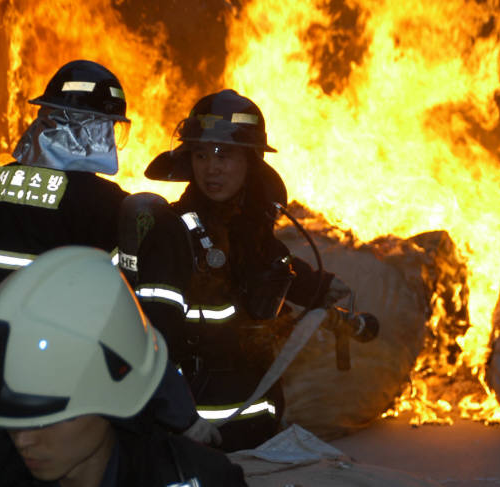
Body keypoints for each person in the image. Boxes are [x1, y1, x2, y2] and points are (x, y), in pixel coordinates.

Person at [120, 89, 351, 451]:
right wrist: (181, 419)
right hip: (199, 438)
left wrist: (326, 288)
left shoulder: (251, 229)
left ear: (250, 160)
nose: (211, 167)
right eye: (201, 154)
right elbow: (150, 340)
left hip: (259, 434)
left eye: (224, 155)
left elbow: (273, 269)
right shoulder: (172, 233)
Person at [0, 245, 248, 486]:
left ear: (117, 395)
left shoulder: (201, 478)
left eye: (48, 417)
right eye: (16, 417)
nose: (23, 439)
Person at [0, 59, 131, 312]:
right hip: (65, 346)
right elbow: (121, 293)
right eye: (109, 127)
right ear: (90, 130)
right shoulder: (107, 201)